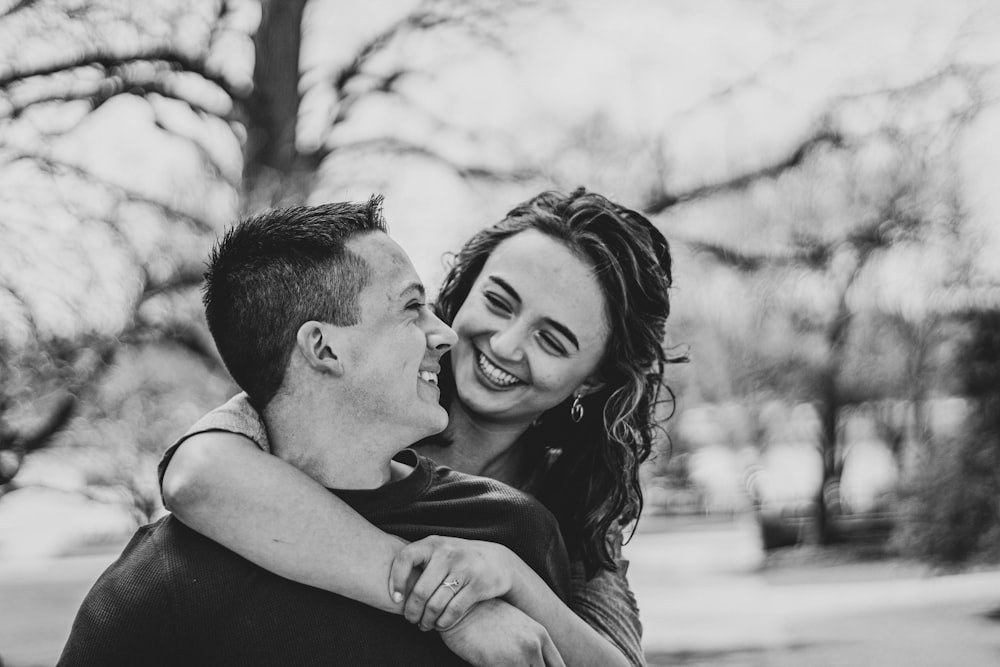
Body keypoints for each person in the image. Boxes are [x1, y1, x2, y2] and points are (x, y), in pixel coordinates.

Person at [161, 188, 678, 667]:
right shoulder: (360, 404)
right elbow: (198, 475)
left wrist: (512, 576)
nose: (505, 345)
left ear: (591, 382)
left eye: (553, 341)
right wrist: (453, 601)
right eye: (499, 303)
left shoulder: (570, 510)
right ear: (466, 287)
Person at [58, 199, 572, 667]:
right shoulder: (167, 578)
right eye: (412, 308)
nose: (445, 334)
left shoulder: (510, 530)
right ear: (323, 349)